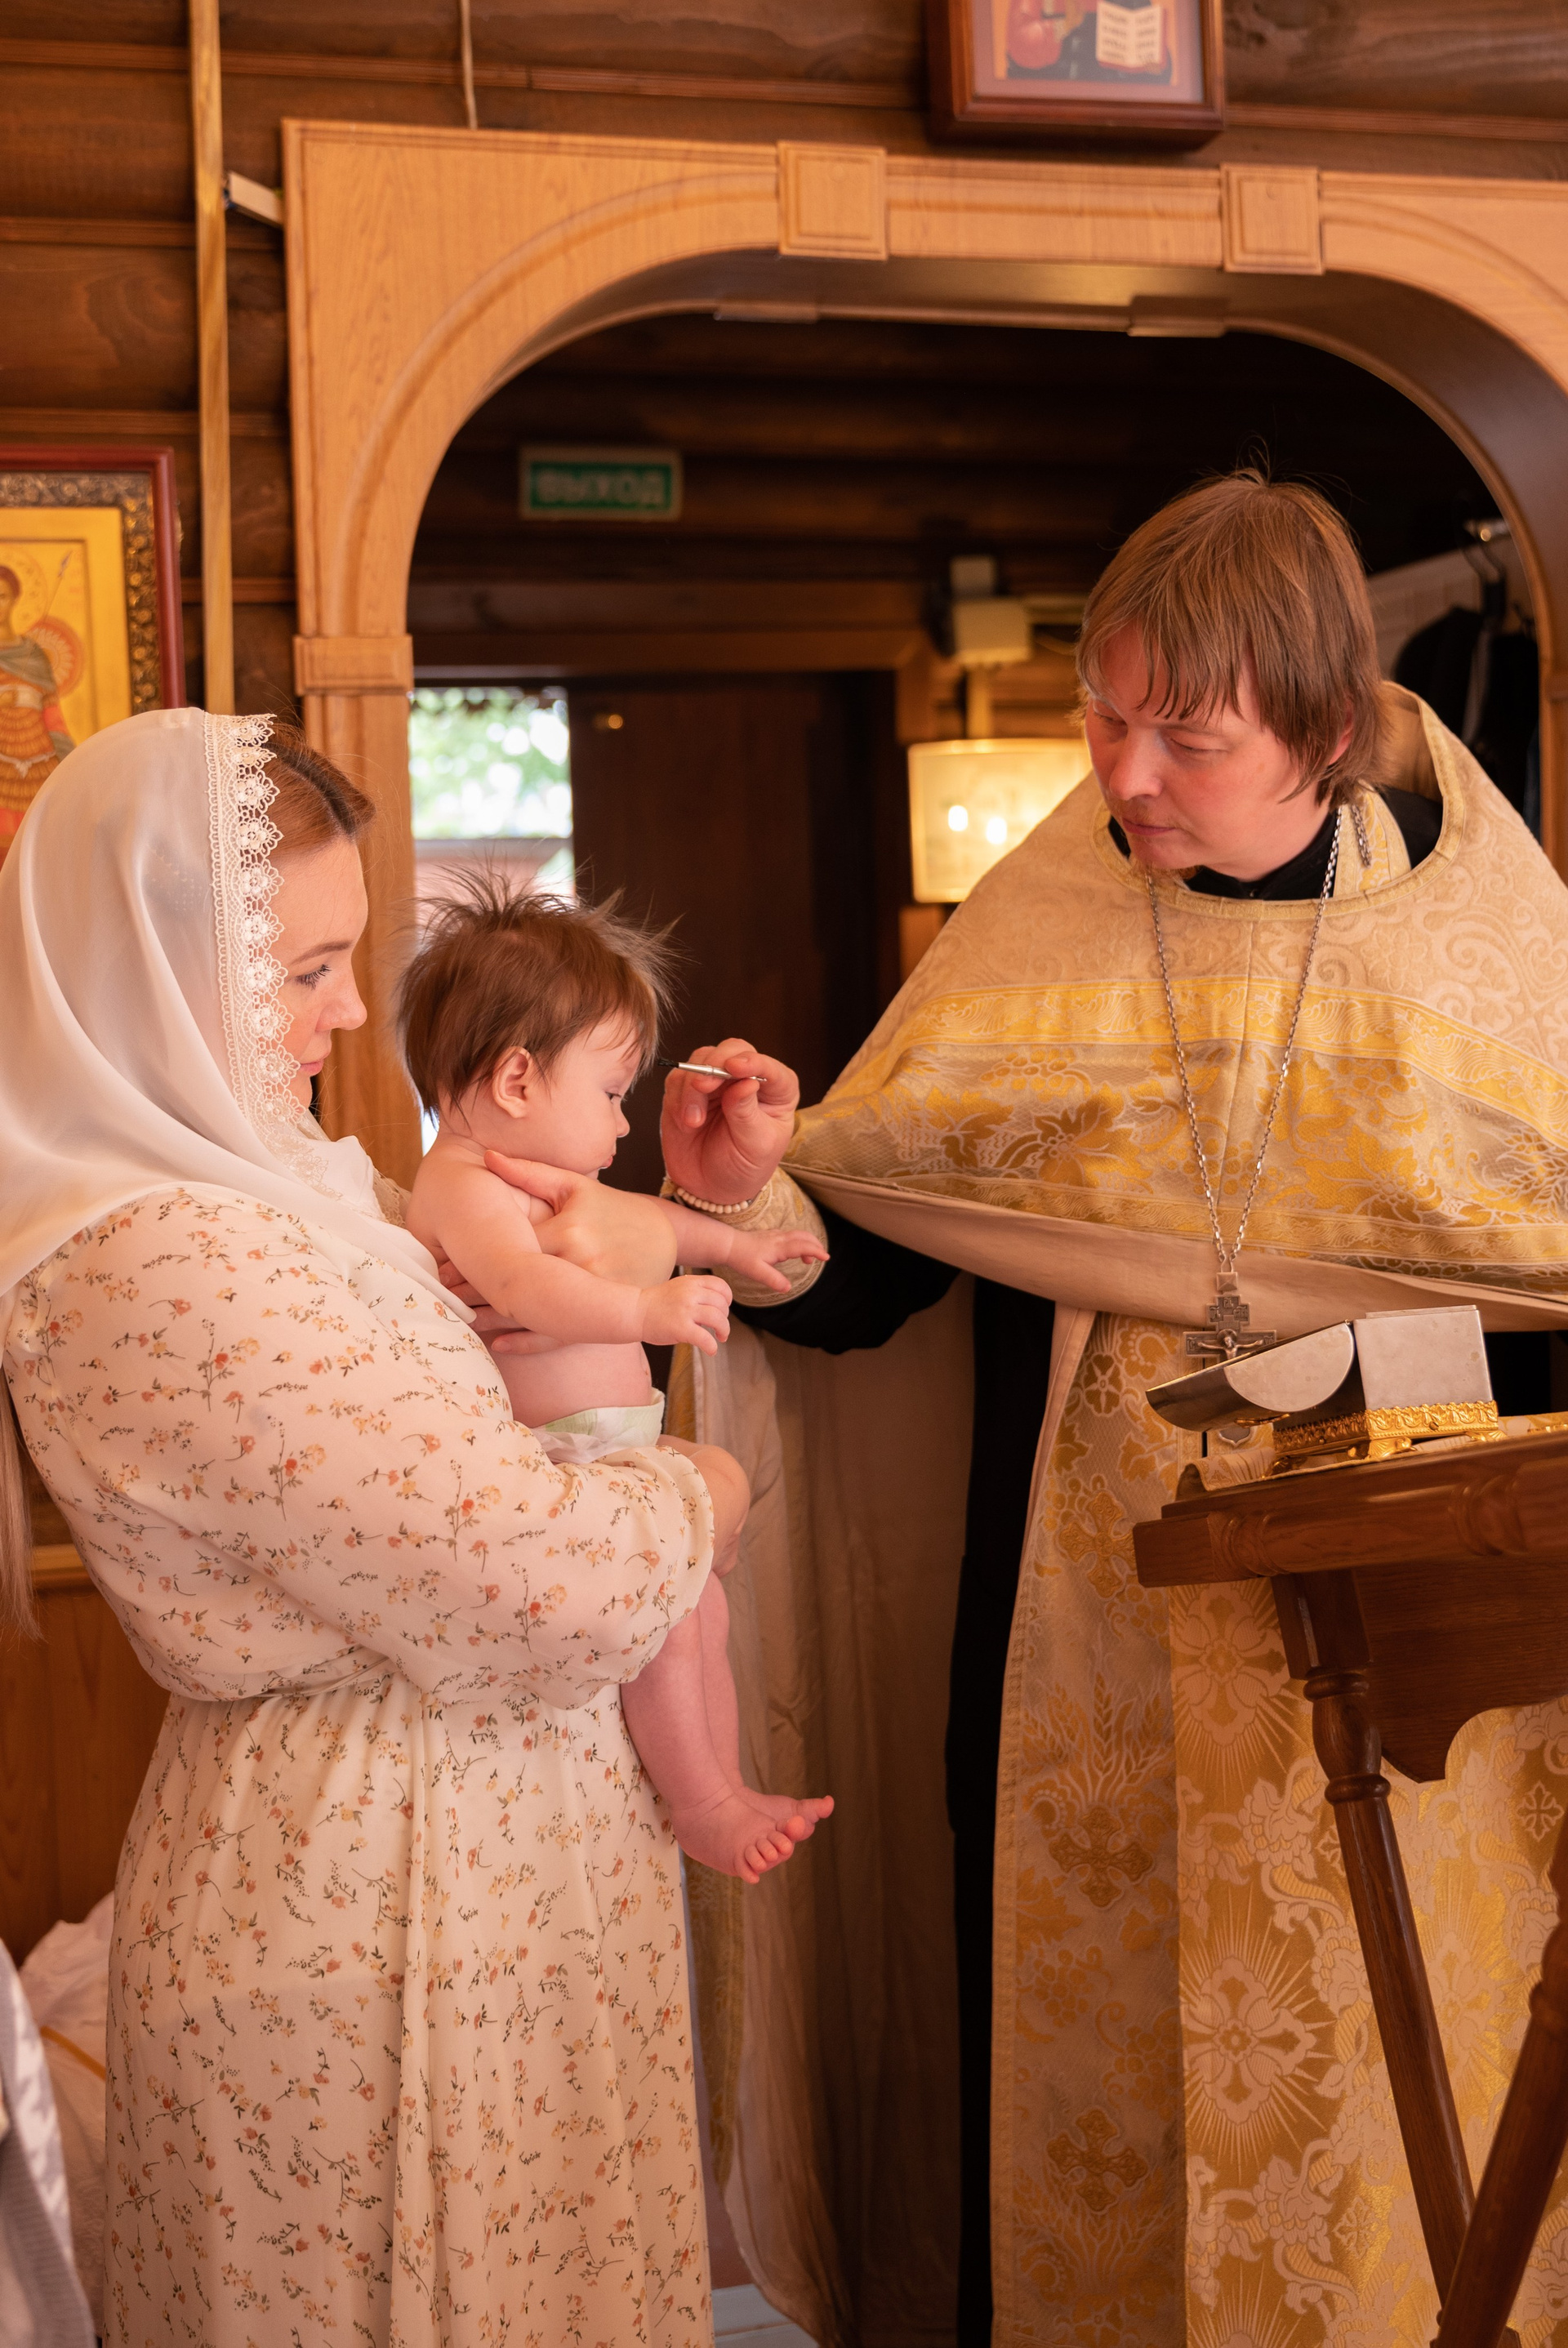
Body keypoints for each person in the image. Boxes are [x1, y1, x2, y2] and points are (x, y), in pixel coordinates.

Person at [479, 472, 1568, 2348]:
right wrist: (745, 1196)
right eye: (1105, 716)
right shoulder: (1043, 931)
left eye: (1188, 737)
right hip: (1083, 1633)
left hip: (1411, 1627)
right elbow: (884, 1272)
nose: (1128, 772)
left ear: (1321, 728)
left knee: (1388, 2090)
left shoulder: (1486, 963)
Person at [0, 707, 749, 2347]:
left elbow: (519, 1304)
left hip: (478, 1871)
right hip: (376, 1899)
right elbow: (529, 1579)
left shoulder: (278, 1191)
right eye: (302, 970)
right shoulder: (164, 1255)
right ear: (155, 969)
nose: (348, 1013)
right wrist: (700, 1491)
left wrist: (690, 1195)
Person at [399, 879, 831, 1882]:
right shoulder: (463, 1184)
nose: (625, 1125)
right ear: (517, 1079)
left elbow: (656, 1220)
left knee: (703, 1610)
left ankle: (723, 1782)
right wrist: (646, 1310)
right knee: (673, 1621)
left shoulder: (531, 1171)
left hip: (611, 1447)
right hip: (562, 1462)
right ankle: (705, 1802)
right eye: (609, 1093)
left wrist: (738, 1247)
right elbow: (525, 1288)